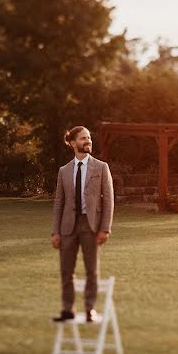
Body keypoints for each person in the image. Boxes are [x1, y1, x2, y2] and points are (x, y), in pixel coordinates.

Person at [51, 126, 114, 322]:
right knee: (66, 270)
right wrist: (55, 231)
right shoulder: (64, 171)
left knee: (91, 270)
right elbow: (59, 203)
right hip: (68, 226)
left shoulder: (101, 167)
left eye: (89, 137)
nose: (88, 141)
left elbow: (109, 200)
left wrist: (105, 228)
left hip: (91, 226)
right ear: (72, 143)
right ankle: (68, 309)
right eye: (83, 138)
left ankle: (89, 310)